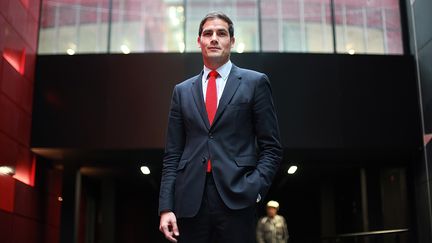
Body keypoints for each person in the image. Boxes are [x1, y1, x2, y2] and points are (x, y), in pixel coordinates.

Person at [158, 11, 283, 243]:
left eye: (221, 33)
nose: (214, 38)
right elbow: (172, 154)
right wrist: (166, 207)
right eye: (208, 33)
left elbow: (272, 148)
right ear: (199, 42)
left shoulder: (255, 83)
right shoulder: (182, 91)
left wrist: (254, 190)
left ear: (231, 42)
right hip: (190, 201)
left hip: (237, 198)